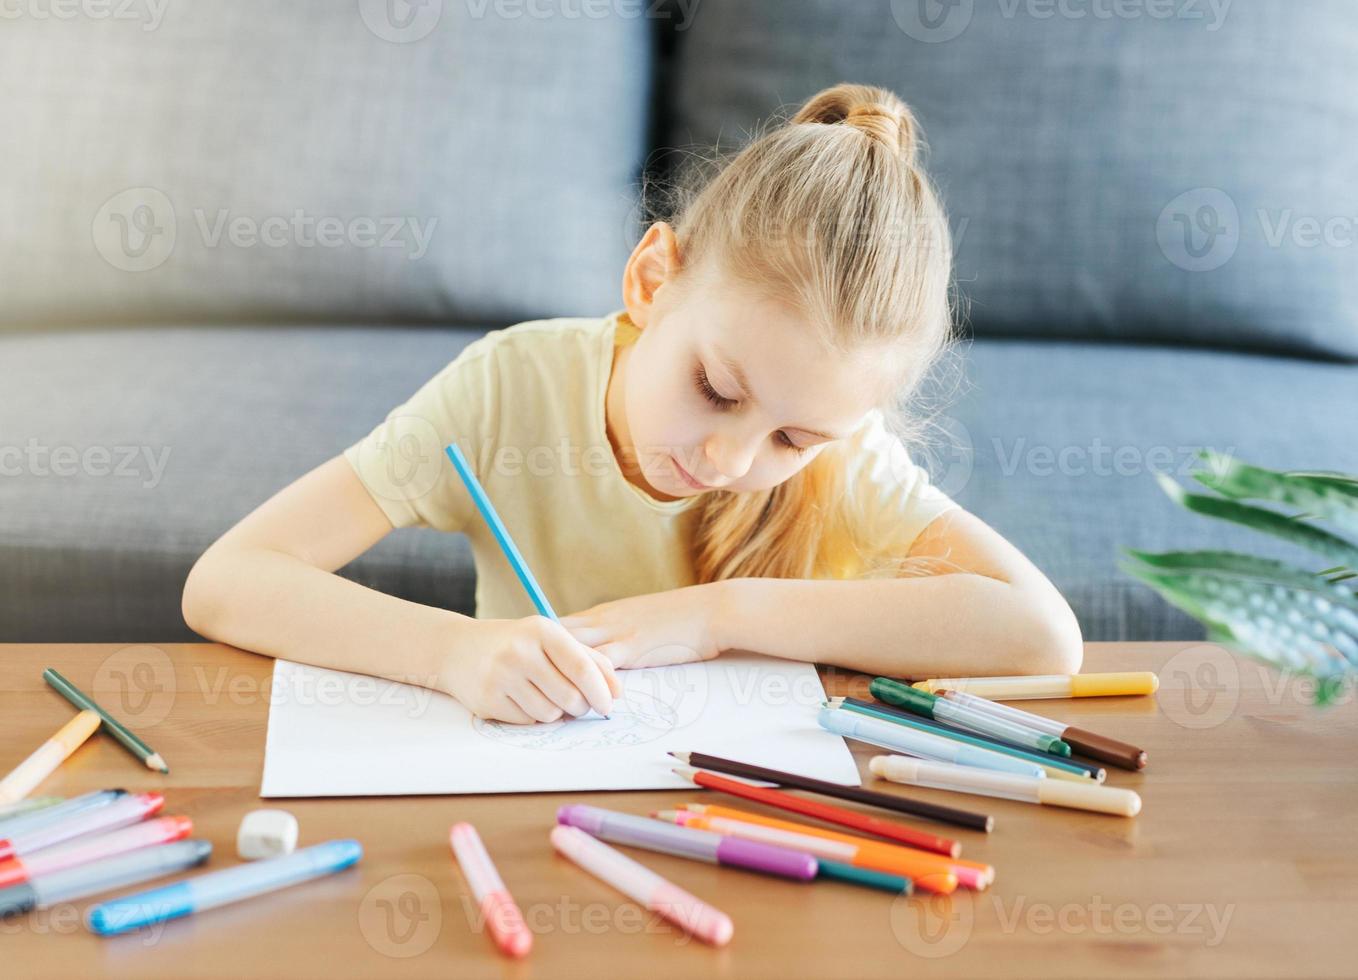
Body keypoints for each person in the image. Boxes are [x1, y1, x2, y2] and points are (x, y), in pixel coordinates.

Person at [182, 83, 1082, 724]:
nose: (732, 460)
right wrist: (451, 653)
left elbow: (1042, 635)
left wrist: (716, 616)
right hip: (529, 793)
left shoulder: (847, 452)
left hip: (756, 816)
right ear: (654, 279)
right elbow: (229, 581)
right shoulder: (507, 390)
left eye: (793, 438)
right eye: (717, 389)